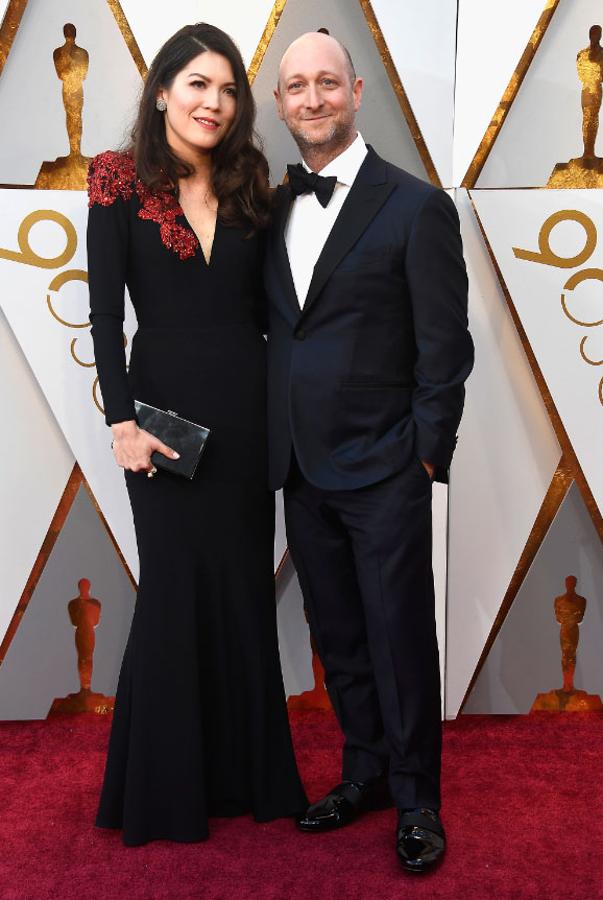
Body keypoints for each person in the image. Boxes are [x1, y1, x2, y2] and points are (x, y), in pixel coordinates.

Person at [86, 22, 307, 847]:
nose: (213, 102)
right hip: (163, 425)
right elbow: (106, 314)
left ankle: (246, 780)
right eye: (197, 85)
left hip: (247, 420)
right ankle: (164, 790)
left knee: (244, 591)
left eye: (226, 89)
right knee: (174, 592)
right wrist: (120, 423)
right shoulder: (116, 180)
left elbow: (276, 312)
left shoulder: (256, 181)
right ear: (161, 91)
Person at [265, 32, 474, 873]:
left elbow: (444, 346)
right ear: (278, 104)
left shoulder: (415, 204)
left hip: (386, 465)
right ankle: (364, 773)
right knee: (339, 633)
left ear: (355, 90)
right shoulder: (272, 204)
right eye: (294, 88)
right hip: (299, 465)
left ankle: (417, 797)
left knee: (397, 635)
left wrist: (424, 456)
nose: (311, 99)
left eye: (325, 83)